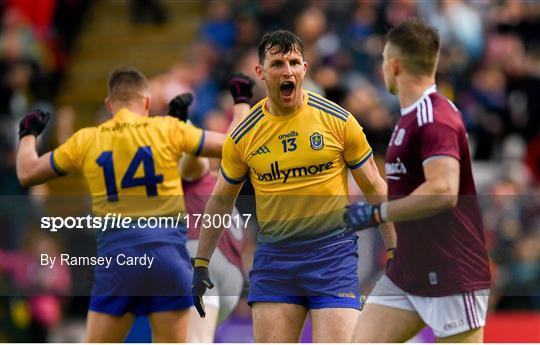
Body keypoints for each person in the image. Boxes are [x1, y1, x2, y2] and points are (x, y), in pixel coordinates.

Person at [191, 30, 396, 342]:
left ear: (304, 68)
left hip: (333, 257)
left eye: (294, 62)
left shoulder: (338, 121)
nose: (287, 70)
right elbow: (219, 201)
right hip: (275, 261)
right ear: (260, 72)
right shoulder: (244, 135)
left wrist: (395, 249)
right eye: (277, 63)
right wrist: (201, 263)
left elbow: (374, 186)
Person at [15, 67, 227, 342]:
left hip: (118, 263)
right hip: (168, 261)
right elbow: (231, 146)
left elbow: (27, 172)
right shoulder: (167, 129)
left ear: (109, 105)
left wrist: (28, 134)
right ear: (148, 103)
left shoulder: (86, 139)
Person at [344, 18, 491, 342]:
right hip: (408, 272)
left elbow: (443, 190)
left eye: (383, 60)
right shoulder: (408, 118)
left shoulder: (434, 117)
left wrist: (377, 214)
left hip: (452, 272)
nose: (382, 68)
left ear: (394, 64)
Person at [168, 74, 254, 342]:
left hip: (207, 268)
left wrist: (241, 102)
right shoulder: (200, 176)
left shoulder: (224, 182)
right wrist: (241, 100)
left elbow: (237, 144)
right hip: (220, 277)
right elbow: (194, 162)